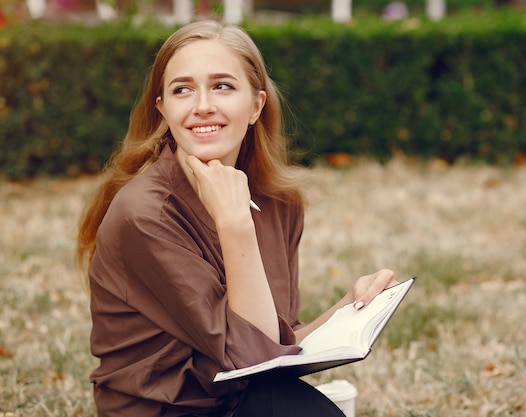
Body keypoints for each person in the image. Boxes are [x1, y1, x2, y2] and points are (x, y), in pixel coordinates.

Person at [76, 20, 397, 417]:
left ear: (256, 106)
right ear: (163, 109)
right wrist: (235, 225)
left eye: (222, 86)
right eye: (182, 90)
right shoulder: (144, 215)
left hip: (245, 398)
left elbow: (273, 347)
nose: (202, 105)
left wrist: (348, 308)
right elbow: (254, 361)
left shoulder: (280, 203)